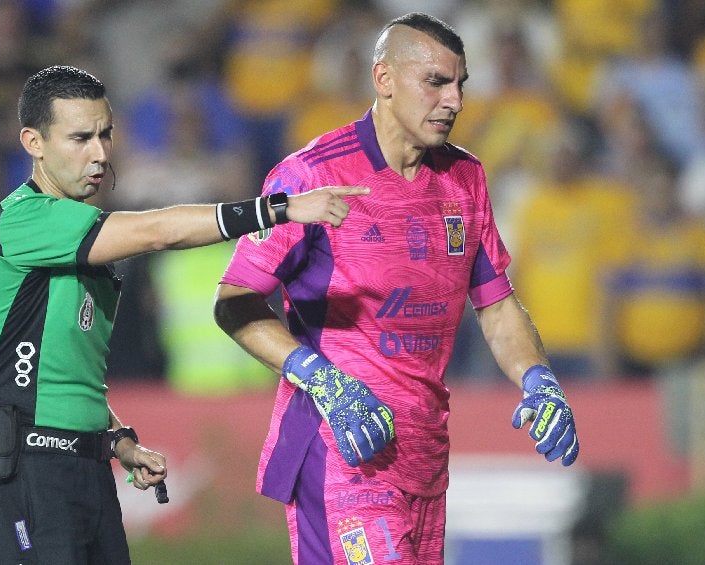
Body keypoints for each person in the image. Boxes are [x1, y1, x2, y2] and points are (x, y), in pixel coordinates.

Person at [213, 13, 580, 564]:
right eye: (435, 82)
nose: (454, 101)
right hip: (340, 449)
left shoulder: (465, 179)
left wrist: (539, 379)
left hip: (424, 459)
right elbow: (234, 302)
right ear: (383, 79)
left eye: (460, 84)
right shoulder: (312, 176)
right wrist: (324, 381)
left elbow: (496, 304)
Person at [0, 64, 367, 564]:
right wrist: (279, 209)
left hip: (82, 468)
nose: (99, 153)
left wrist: (117, 440)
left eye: (105, 134)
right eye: (80, 138)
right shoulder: (23, 219)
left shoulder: (82, 242)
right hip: (25, 468)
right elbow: (161, 231)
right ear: (33, 141)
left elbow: (63, 371)